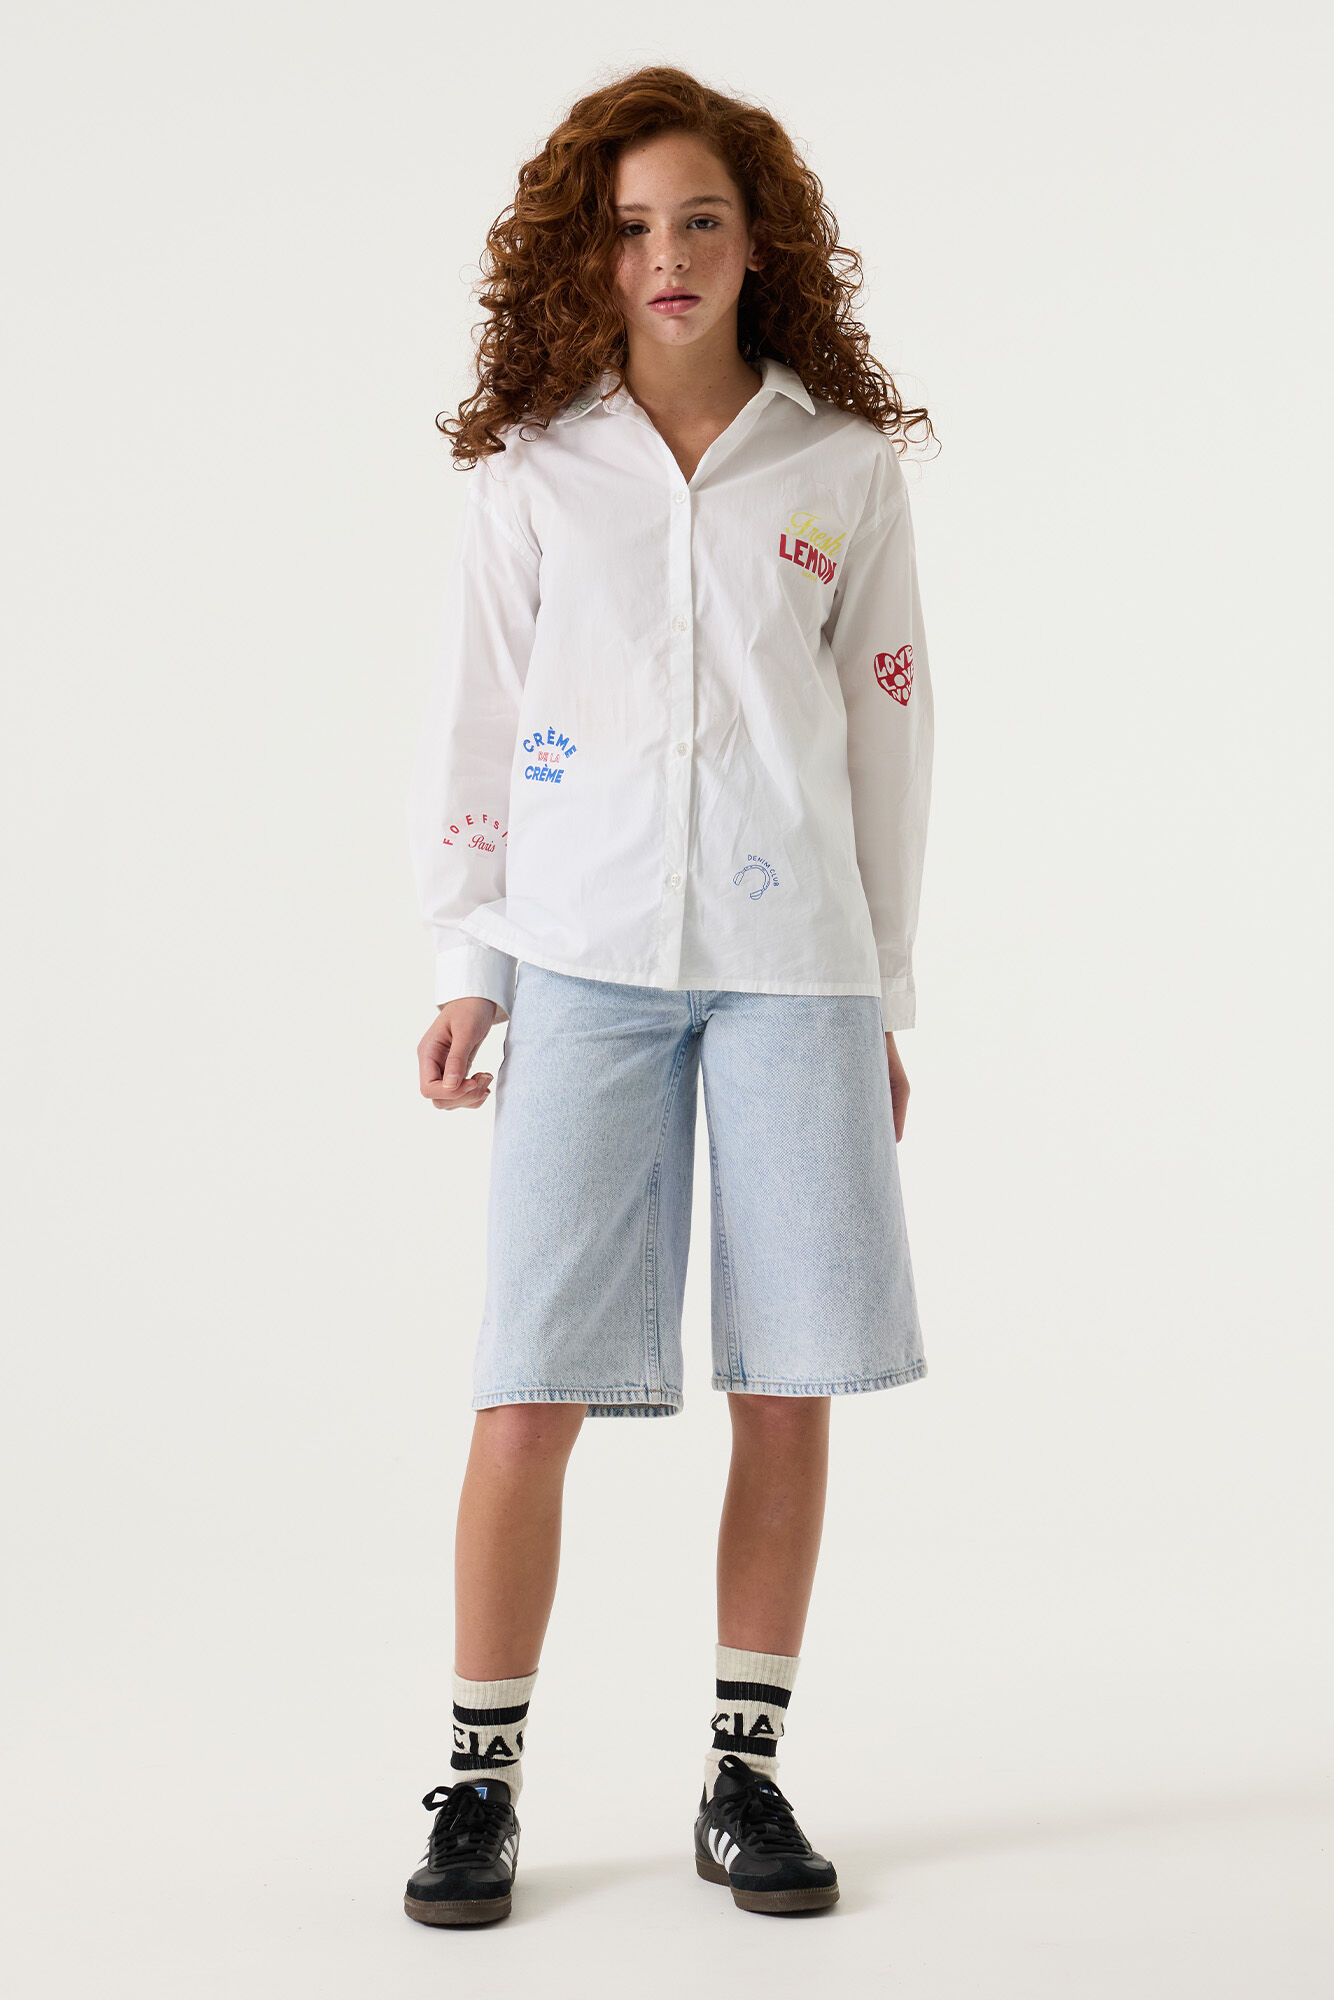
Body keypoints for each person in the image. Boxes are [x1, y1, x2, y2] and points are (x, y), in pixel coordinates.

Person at [402, 63, 937, 1926]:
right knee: (527, 1384)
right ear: (588, 253)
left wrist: (881, 991)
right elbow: (477, 726)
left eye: (699, 218)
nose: (666, 255)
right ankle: (476, 1787)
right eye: (629, 227)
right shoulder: (533, 471)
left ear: (756, 239)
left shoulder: (838, 469)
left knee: (785, 1383)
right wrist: (468, 965)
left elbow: (885, 742)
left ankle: (744, 1775)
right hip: (581, 962)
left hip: (794, 978)